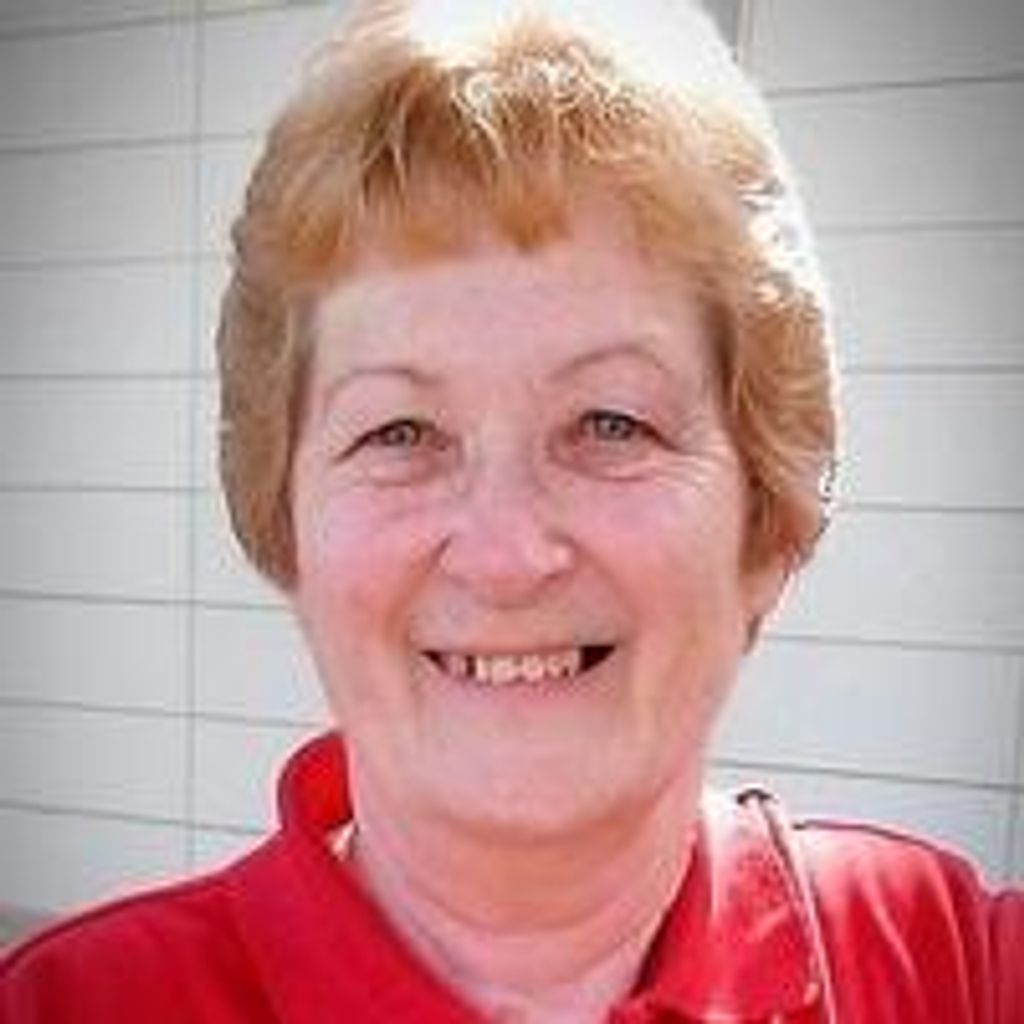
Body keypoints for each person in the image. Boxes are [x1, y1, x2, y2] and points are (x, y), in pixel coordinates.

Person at [2, 1, 1021, 1021]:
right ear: (287, 523)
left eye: (611, 423)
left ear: (765, 523)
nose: (504, 554)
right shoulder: (75, 1005)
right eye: (400, 432)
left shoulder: (956, 970)